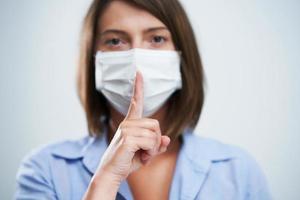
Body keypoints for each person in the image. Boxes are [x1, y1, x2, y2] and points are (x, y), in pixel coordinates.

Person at [14, 0, 272, 199]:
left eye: (157, 39)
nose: (137, 56)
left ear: (182, 57)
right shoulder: (44, 170)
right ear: (94, 60)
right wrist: (105, 181)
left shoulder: (239, 172)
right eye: (115, 41)